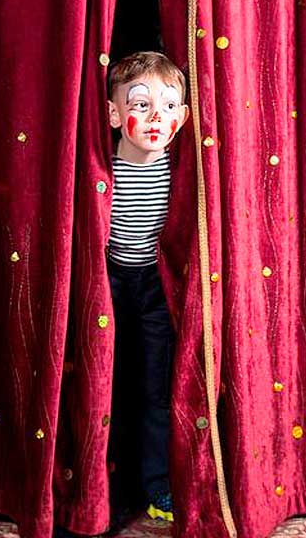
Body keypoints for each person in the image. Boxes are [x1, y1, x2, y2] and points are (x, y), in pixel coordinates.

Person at [103, 50, 189, 524]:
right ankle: (107, 489)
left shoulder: (186, 172)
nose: (158, 115)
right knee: (108, 382)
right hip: (111, 283)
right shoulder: (101, 169)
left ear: (185, 116)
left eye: (170, 104)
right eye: (140, 104)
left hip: (158, 286)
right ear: (115, 114)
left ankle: (158, 485)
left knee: (157, 386)